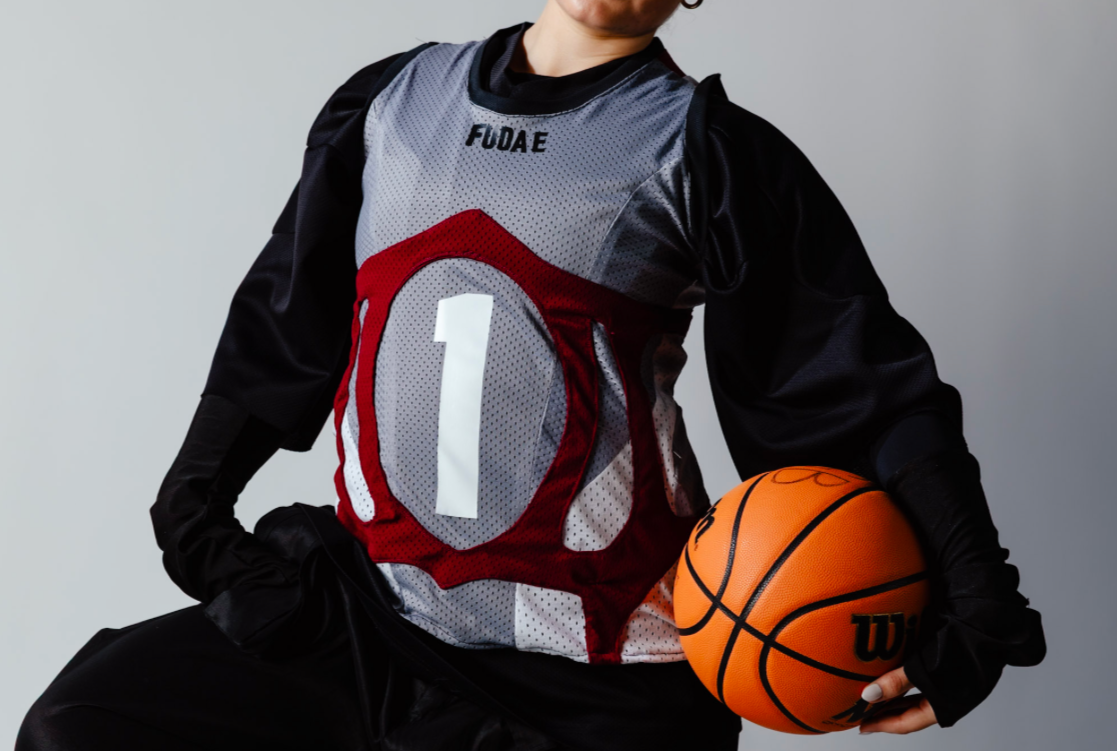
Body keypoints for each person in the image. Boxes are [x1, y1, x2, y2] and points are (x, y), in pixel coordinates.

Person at [16, 1, 1046, 749]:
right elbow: (284, 326)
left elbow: (858, 389)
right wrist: (193, 502)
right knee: (82, 723)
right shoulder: (388, 106)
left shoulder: (706, 153)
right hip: (380, 624)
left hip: (601, 683)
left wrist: (978, 609)